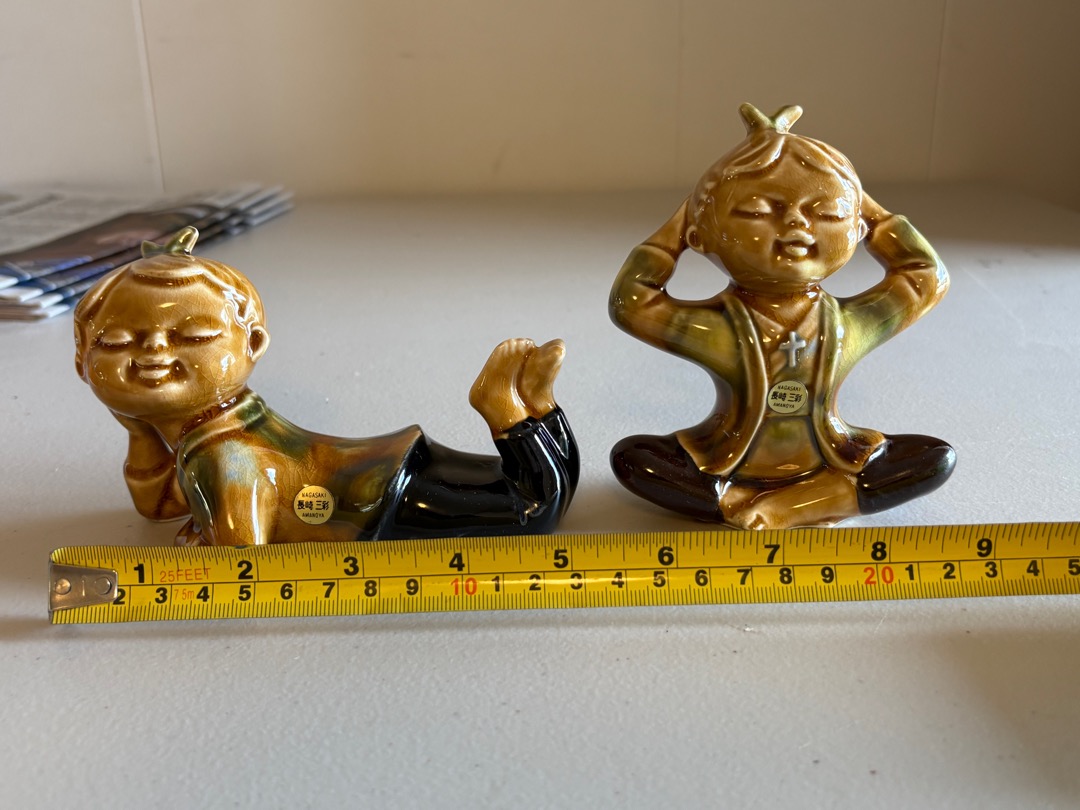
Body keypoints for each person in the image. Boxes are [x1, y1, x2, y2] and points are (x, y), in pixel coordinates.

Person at [74, 227, 578, 545]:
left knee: (535, 510)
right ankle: (538, 407)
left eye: (193, 336)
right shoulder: (210, 436)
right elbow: (160, 507)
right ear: (82, 360)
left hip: (376, 495)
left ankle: (504, 409)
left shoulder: (227, 455)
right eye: (115, 341)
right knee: (548, 492)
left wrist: (201, 541)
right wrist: (139, 428)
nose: (154, 353)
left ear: (253, 343)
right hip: (379, 474)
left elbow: (239, 556)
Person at [609, 103, 954, 529]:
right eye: (757, 212)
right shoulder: (718, 329)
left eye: (827, 213)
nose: (796, 225)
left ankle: (788, 506)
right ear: (700, 235)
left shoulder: (849, 324)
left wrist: (868, 211)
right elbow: (631, 304)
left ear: (856, 230)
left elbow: (925, 277)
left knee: (934, 458)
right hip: (725, 459)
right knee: (634, 460)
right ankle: (766, 498)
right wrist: (680, 226)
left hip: (836, 455)